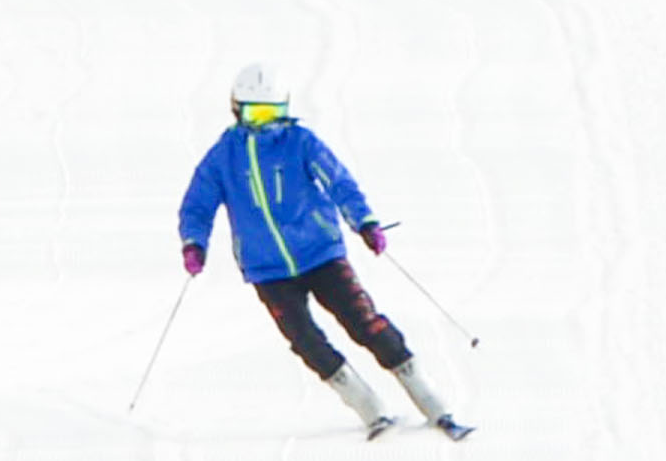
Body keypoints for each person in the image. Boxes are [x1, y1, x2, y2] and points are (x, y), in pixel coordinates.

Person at [175, 65, 466, 438]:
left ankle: (430, 400)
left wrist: (365, 222)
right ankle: (369, 407)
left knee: (365, 323)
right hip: (269, 269)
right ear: (237, 110)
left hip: (321, 254)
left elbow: (339, 183)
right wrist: (194, 243)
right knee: (306, 340)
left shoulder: (301, 142)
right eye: (256, 114)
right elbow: (197, 206)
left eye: (273, 113)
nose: (267, 124)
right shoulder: (223, 157)